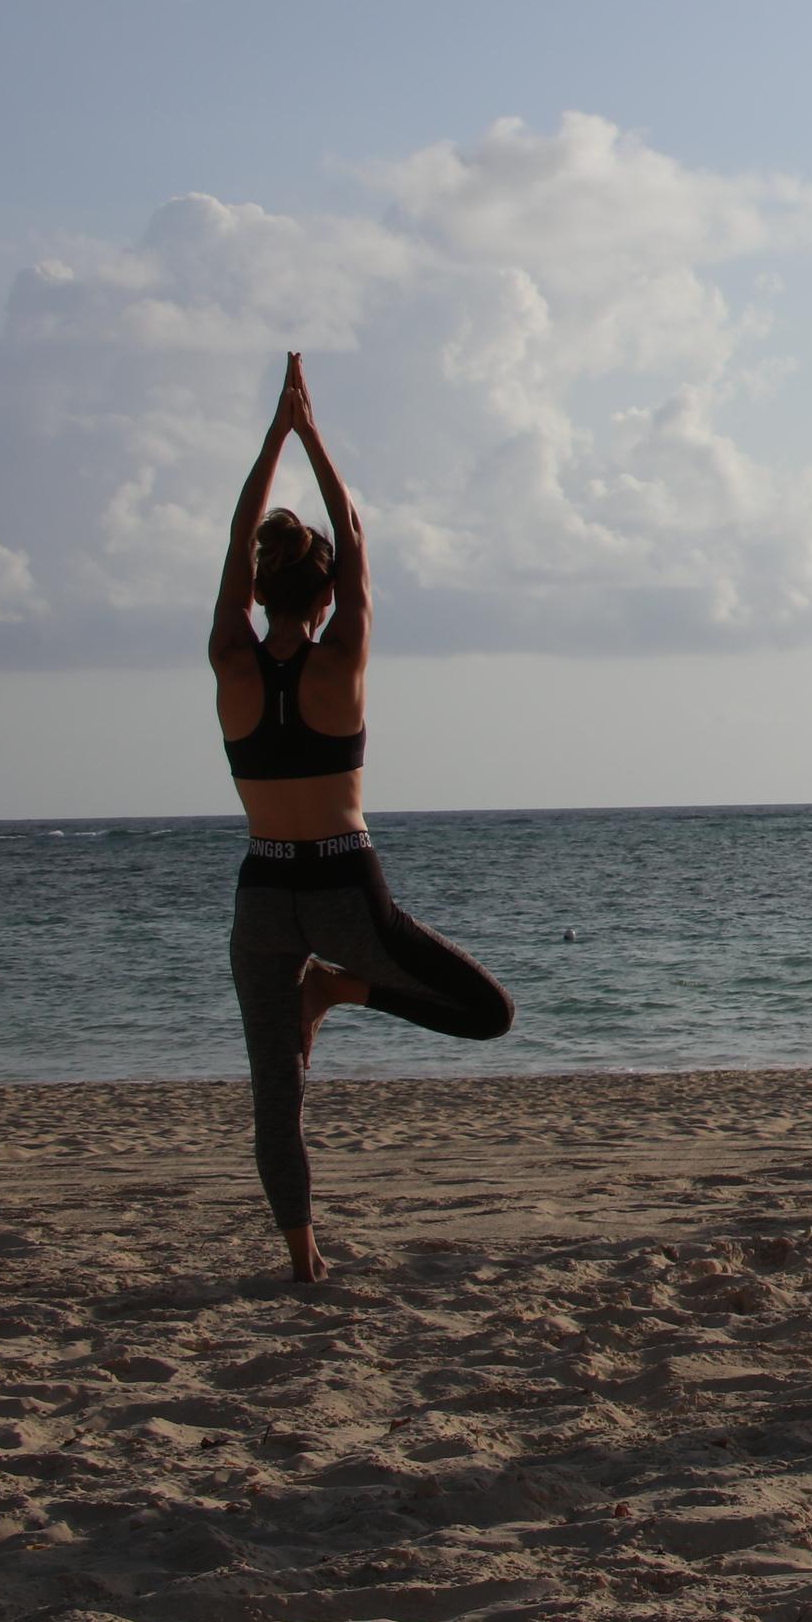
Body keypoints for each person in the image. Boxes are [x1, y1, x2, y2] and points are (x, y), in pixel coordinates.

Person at [210, 353, 513, 1285]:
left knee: (276, 1092)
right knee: (487, 1012)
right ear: (328, 595)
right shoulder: (342, 659)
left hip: (264, 892)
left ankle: (304, 1259)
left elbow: (234, 540)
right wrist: (310, 435)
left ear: (259, 594)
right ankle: (340, 992)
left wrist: (270, 442)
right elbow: (356, 533)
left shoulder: (232, 663)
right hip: (345, 889)